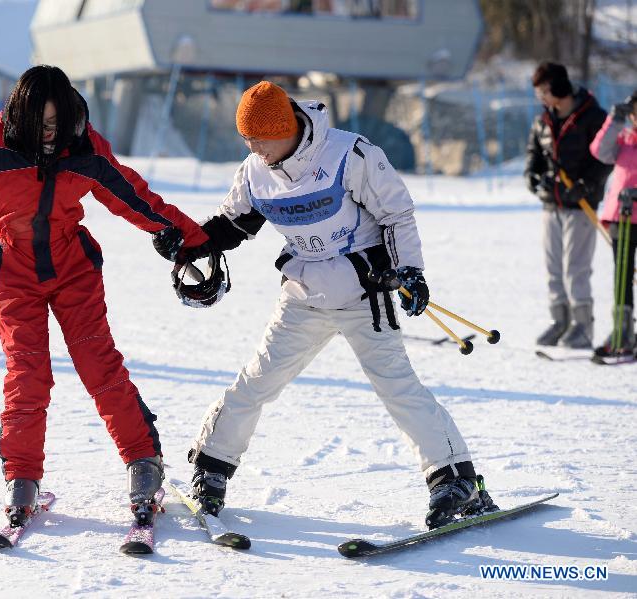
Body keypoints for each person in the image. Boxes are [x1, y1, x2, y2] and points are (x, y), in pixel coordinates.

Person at [0, 65, 209, 526]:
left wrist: (188, 237)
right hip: (14, 272)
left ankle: (143, 460)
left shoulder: (84, 146)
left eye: (58, 122)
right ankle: (22, 473)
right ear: (23, 117)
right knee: (28, 372)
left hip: (73, 268)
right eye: (42, 125)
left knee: (99, 365)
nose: (51, 134)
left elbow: (132, 194)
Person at [162, 81, 494, 529]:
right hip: (303, 292)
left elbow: (397, 212)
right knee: (258, 381)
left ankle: (457, 482)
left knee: (397, 387)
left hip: (364, 291)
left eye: (260, 137)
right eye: (247, 139)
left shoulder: (348, 154)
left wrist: (409, 272)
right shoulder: (255, 171)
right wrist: (189, 244)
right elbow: (233, 226)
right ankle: (211, 470)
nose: (254, 147)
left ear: (285, 127)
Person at [525, 62, 612, 349]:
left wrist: (586, 186)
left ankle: (582, 326)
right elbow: (534, 153)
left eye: (545, 91)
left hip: (580, 206)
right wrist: (533, 176)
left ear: (560, 87)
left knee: (576, 266)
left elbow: (604, 159)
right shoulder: (543, 120)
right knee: (553, 266)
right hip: (552, 205)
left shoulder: (593, 117)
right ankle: (559, 320)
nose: (541, 98)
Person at [591, 91, 637, 356]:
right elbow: (600, 150)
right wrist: (614, 120)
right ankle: (622, 332)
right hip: (623, 216)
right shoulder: (624, 139)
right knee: (622, 276)